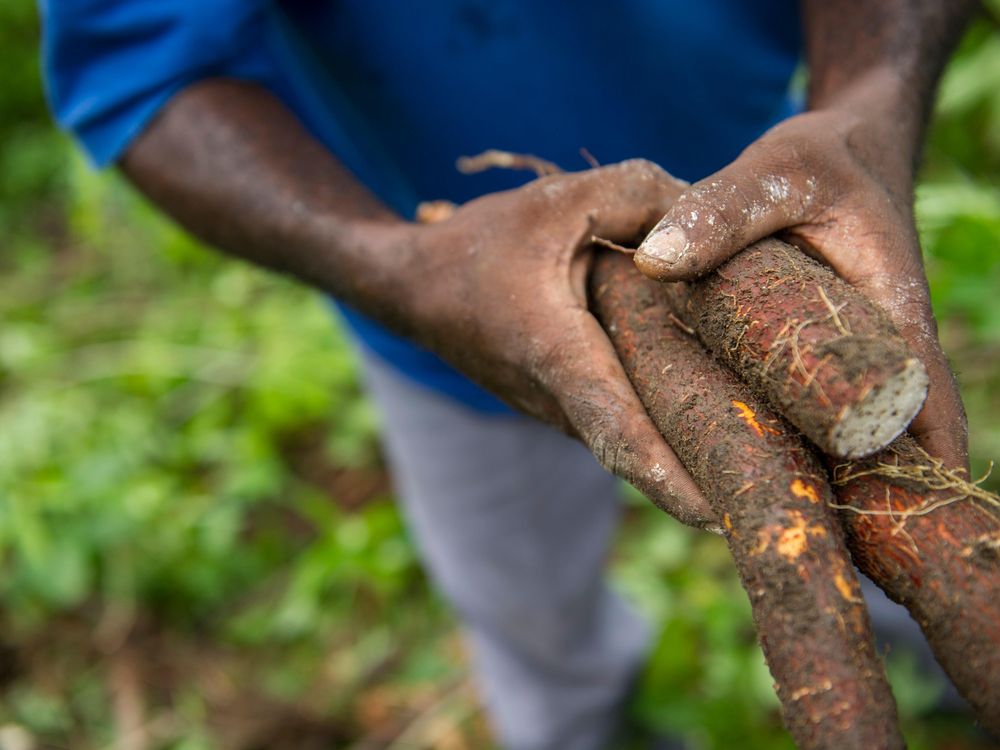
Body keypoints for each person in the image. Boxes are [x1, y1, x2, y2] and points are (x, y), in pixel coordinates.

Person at [40, 1, 976, 748]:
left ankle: (939, 668)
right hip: (449, 302)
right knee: (532, 617)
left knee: (892, 513)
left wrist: (869, 106)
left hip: (769, 236)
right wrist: (394, 268)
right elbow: (140, 66)